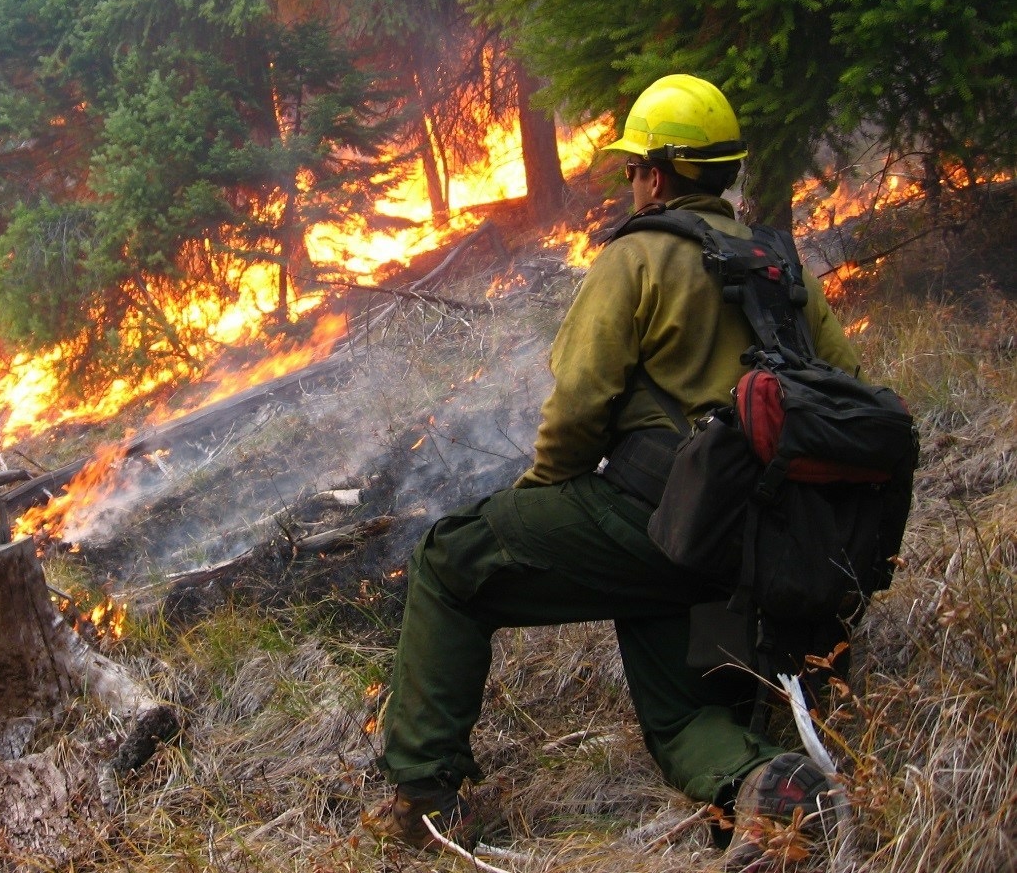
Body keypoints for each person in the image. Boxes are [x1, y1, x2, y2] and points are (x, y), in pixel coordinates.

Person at [363, 74, 858, 866]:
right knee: (679, 716)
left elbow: (578, 407)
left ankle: (422, 796)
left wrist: (539, 501)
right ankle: (767, 784)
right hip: (759, 545)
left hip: (658, 521)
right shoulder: (779, 268)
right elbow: (847, 388)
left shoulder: (638, 255)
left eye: (632, 170)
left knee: (452, 559)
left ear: (655, 177)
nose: (630, 184)